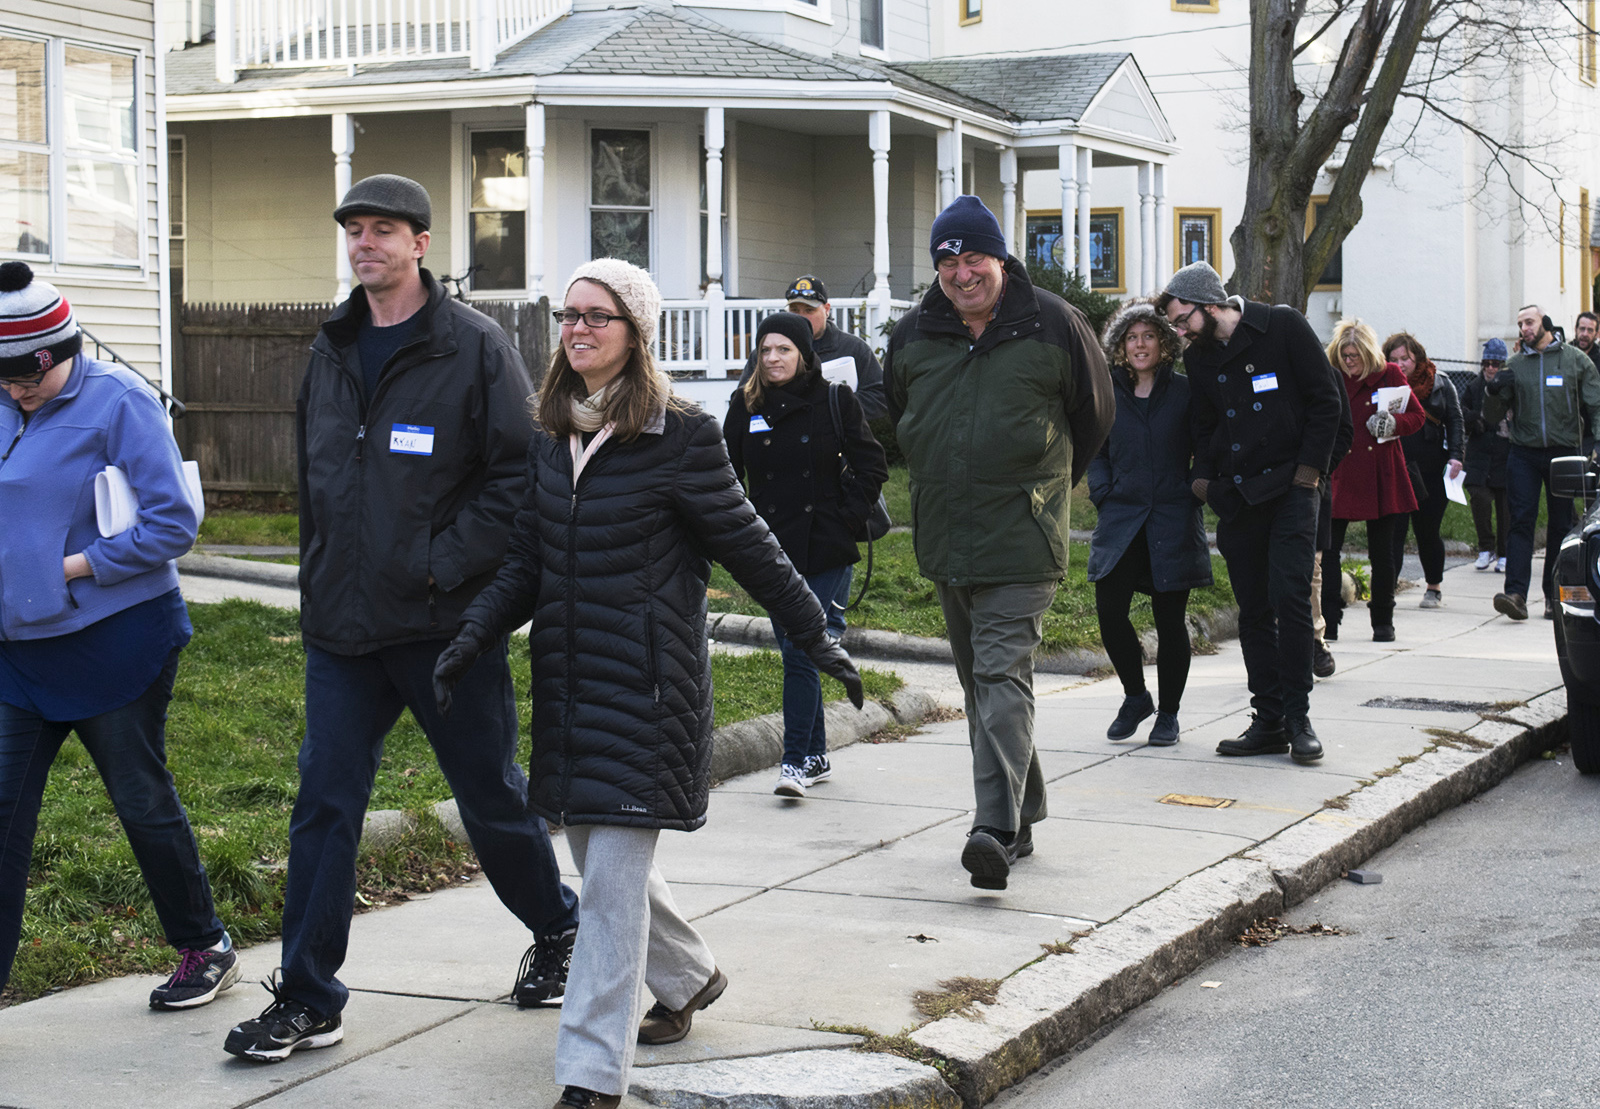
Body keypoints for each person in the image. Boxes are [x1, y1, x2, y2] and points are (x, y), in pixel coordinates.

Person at [433, 259, 862, 1109]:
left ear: (636, 335)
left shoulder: (681, 436)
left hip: (648, 694)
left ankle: (591, 1074)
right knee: (601, 866)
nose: (578, 328)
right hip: (567, 686)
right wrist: (471, 635)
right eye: (569, 314)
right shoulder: (553, 437)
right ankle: (691, 976)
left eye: (599, 315)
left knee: (611, 896)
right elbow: (526, 559)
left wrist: (817, 636)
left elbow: (753, 547)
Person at [223, 175, 580, 1063]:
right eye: (353, 231)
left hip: (445, 627)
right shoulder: (333, 344)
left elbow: (516, 477)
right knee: (323, 806)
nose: (364, 244)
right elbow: (318, 473)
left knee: (492, 797)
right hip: (343, 630)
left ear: (422, 242)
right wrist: (316, 574)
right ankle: (308, 995)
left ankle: (560, 928)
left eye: (383, 230)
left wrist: (439, 562)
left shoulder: (473, 346)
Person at [0, 262, 239, 1010]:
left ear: (57, 352)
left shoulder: (120, 402)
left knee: (139, 797)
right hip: (19, 651)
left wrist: (65, 566)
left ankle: (205, 945)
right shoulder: (3, 399)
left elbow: (173, 523)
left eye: (26, 377)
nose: (15, 391)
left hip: (117, 639)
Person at [887, 195, 1115, 891]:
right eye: (948, 262)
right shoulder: (914, 333)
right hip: (947, 530)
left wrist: (1048, 488)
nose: (962, 274)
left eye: (974, 258)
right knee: (982, 684)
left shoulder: (1053, 322)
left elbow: (1095, 414)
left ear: (1000, 258)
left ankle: (994, 827)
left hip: (1023, 531)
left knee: (1000, 676)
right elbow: (900, 413)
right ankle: (1029, 799)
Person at [1158, 261, 1343, 767]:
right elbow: (1205, 422)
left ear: (1209, 303)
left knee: (1291, 601)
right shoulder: (1200, 358)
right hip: (1237, 497)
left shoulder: (1280, 326)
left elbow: (1328, 403)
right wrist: (1204, 479)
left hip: (1290, 491)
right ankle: (1269, 719)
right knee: (1253, 610)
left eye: (1181, 320)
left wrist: (1310, 473)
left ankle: (1299, 718)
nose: (1178, 332)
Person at [725, 312, 887, 798]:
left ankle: (794, 761)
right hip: (771, 548)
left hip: (825, 547)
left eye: (784, 350)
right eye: (766, 350)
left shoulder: (833, 400)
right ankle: (815, 755)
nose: (773, 359)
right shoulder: (745, 403)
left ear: (803, 354)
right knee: (801, 651)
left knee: (799, 649)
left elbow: (872, 467)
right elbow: (726, 474)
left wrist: (844, 518)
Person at [1088, 301, 1212, 747]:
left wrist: (1197, 486)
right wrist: (1102, 491)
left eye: (1149, 336)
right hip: (1121, 517)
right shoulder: (1108, 390)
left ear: (1164, 343)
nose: (1140, 345)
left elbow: (1208, 444)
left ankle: (1169, 715)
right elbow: (1095, 448)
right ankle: (1136, 696)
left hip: (1172, 518)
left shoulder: (1184, 391)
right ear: (1121, 346)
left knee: (1169, 620)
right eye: (1131, 337)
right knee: (1109, 610)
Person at [737, 274, 888, 638]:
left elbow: (880, 397)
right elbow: (747, 396)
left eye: (809, 309)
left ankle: (831, 624)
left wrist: (837, 411)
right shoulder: (769, 350)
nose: (802, 315)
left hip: (839, 461)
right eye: (795, 309)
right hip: (785, 470)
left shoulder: (853, 348)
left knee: (838, 540)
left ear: (827, 310)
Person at [1485, 304, 1600, 621]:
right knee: (1520, 520)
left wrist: (1599, 443)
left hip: (1564, 451)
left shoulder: (1574, 360)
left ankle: (1554, 597)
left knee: (1562, 525)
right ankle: (1516, 595)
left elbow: (1596, 404)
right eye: (1520, 323)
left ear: (1545, 323)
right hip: (1523, 452)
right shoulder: (1515, 365)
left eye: (1529, 322)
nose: (1524, 328)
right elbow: (1492, 416)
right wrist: (1494, 389)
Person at [1321, 321, 1423, 642]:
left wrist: (1393, 422)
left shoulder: (1390, 374)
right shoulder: (1332, 374)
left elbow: (1417, 416)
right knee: (1328, 551)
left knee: (1383, 553)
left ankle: (1383, 621)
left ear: (1367, 353)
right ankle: (1330, 620)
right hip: (1341, 468)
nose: (1349, 361)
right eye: (1344, 355)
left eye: (1354, 355)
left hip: (1381, 469)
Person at [1384, 333, 1464, 610]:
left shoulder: (1439, 382)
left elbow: (1455, 420)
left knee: (1427, 530)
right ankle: (1387, 588)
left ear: (1417, 358)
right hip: (1396, 467)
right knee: (1393, 530)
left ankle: (1433, 586)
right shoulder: (1384, 384)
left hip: (1430, 468)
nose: (1400, 364)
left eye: (1405, 358)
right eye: (1394, 359)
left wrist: (1456, 456)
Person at [1460, 338, 1511, 573]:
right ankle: (1485, 548)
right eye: (1488, 363)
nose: (1491, 368)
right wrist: (1474, 420)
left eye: (1497, 364)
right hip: (1479, 454)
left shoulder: (1510, 387)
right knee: (1478, 497)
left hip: (1504, 453)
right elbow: (1461, 411)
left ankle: (1505, 553)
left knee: (1505, 506)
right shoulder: (1473, 387)